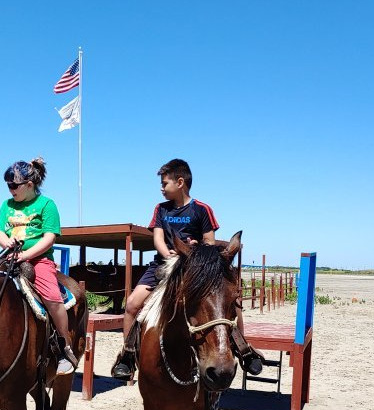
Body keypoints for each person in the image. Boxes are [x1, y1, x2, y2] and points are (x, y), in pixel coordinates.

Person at [111, 158, 262, 380]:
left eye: (165, 183)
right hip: (166, 265)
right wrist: (168, 254)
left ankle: (242, 347)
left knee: (230, 302)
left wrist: (197, 249)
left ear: (180, 182)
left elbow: (209, 241)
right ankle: (128, 355)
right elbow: (158, 239)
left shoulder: (201, 209)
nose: (161, 188)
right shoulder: (160, 209)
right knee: (133, 304)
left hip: (195, 266)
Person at [0, 158, 77, 376]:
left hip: (38, 260)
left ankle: (64, 346)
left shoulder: (46, 205)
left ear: (29, 185)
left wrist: (26, 255)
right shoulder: (6, 205)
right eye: (8, 185)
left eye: (14, 185)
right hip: (7, 256)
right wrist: (5, 242)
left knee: (51, 296)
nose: (10, 190)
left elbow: (49, 238)